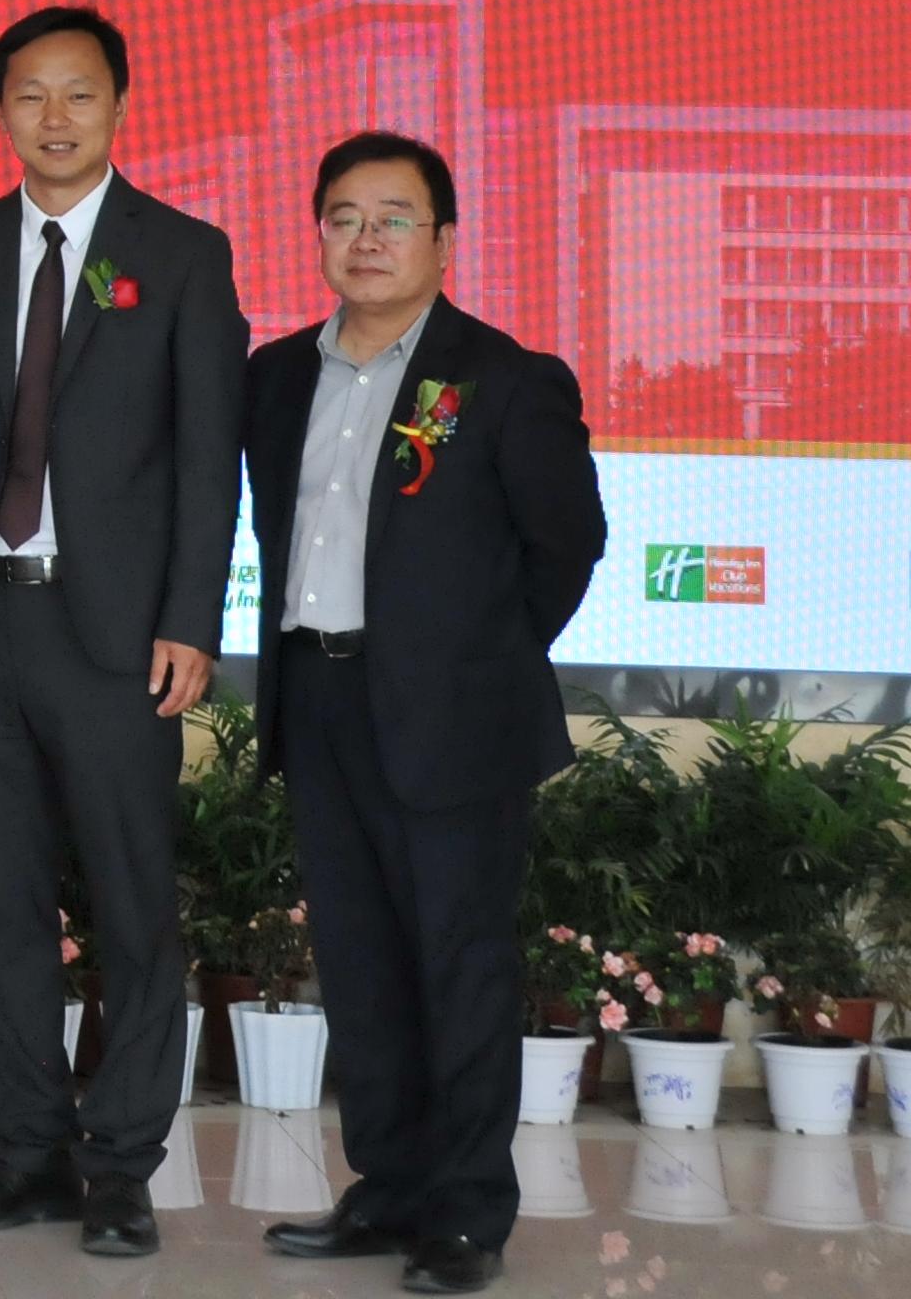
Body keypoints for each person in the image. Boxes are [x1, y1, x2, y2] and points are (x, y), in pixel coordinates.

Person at [0, 6, 243, 1260]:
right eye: (30, 93)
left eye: (78, 93)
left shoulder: (182, 254)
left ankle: (122, 1163)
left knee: (133, 904)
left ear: (119, 106)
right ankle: (28, 1152)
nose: (53, 116)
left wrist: (191, 617)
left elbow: (207, 459)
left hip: (118, 638)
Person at [248, 134, 606, 1297]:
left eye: (393, 217)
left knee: (458, 965)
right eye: (344, 217)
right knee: (358, 964)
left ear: (443, 240)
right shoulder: (275, 376)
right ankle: (387, 1186)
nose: (367, 239)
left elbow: (567, 545)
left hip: (453, 714)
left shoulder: (501, 377)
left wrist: (472, 659)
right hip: (317, 695)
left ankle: (464, 1211)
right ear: (318, 234)